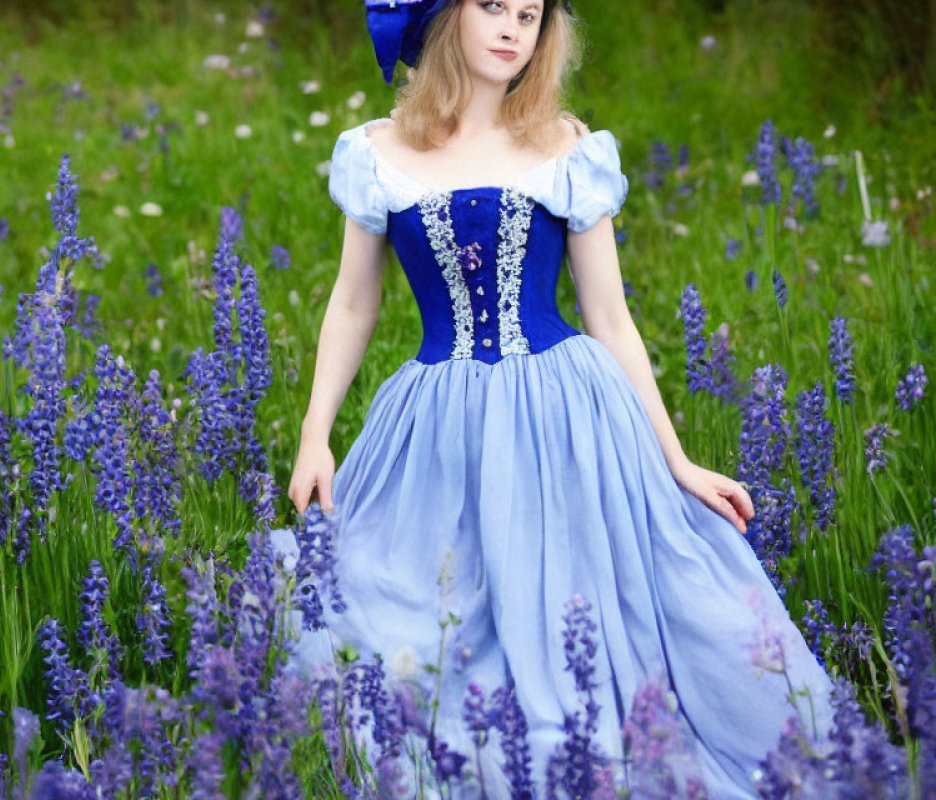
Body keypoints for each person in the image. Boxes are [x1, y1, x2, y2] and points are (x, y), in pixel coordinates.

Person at [288, 1, 836, 797]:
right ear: (445, 16)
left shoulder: (563, 146)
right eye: (493, 8)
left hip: (568, 419)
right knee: (397, 609)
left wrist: (677, 461)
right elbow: (352, 304)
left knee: (603, 614)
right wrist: (315, 436)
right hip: (439, 427)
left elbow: (609, 319)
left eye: (531, 13)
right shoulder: (378, 151)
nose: (514, 29)